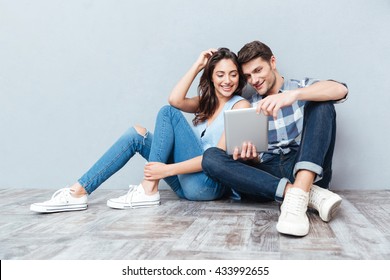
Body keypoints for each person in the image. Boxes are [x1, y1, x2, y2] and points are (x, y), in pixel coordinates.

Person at [30, 47, 251, 213]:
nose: (227, 80)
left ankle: (148, 189)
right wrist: (197, 65)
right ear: (211, 77)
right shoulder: (206, 103)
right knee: (137, 134)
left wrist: (165, 171)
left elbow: (218, 160)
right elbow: (175, 99)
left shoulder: (241, 106)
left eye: (233, 74)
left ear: (238, 78)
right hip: (186, 184)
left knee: (167, 113)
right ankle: (77, 192)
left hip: (208, 186)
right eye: (220, 74)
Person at [201, 41, 348, 237]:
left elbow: (341, 89)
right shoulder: (248, 105)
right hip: (268, 177)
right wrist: (249, 158)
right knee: (211, 157)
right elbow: (251, 163)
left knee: (322, 105)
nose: (254, 80)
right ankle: (302, 194)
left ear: (272, 62)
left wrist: (293, 96)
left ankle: (302, 189)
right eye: (248, 76)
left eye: (258, 70)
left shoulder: (300, 88)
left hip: (303, 165)